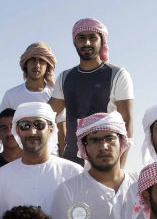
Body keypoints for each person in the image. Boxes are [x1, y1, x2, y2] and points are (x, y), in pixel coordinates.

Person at [49, 17, 134, 165]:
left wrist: (119, 168)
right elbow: (47, 114)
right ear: (74, 42)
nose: (86, 43)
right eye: (81, 38)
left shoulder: (118, 74)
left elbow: (127, 123)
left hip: (104, 161)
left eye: (92, 38)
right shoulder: (65, 77)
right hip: (71, 161)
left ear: (102, 41)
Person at [0, 42, 66, 151]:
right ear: (26, 63)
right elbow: (3, 128)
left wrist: (64, 162)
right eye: (33, 60)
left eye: (42, 61)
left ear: (48, 65)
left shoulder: (56, 94)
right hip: (19, 160)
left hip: (50, 156)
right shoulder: (11, 95)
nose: (37, 65)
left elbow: (62, 131)